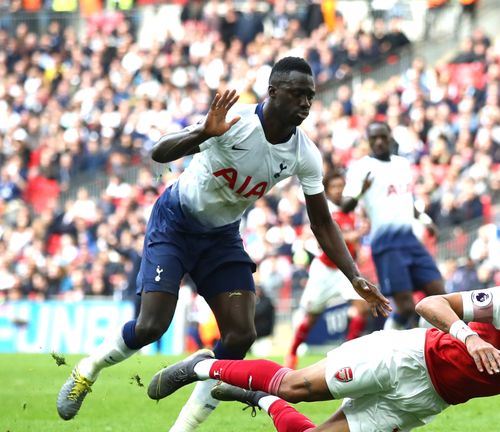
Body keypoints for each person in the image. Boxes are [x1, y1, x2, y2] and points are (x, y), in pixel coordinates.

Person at [56, 57, 390, 431]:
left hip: (222, 237)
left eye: (310, 96)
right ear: (273, 92)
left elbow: (321, 220)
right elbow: (159, 152)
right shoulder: (235, 121)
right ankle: (88, 370)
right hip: (176, 223)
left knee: (240, 335)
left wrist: (354, 275)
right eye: (298, 94)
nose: (306, 104)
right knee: (151, 326)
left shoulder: (305, 153)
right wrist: (202, 134)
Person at [147, 259, 500, 432]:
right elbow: (433, 303)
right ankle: (206, 367)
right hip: (407, 355)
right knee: (299, 385)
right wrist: (467, 337)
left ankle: (252, 396)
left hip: (423, 401)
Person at [341, 121, 445, 330]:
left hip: (411, 241)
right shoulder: (361, 168)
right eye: (374, 139)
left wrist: (425, 220)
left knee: (440, 295)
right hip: (387, 245)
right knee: (405, 307)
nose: (379, 142)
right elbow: (345, 205)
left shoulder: (402, 164)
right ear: (369, 141)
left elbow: (408, 198)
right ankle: (388, 345)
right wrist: (362, 190)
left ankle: (430, 345)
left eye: (383, 137)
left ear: (390, 138)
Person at [285, 170, 369, 369]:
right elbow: (333, 240)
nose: (338, 190)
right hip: (324, 269)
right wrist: (356, 235)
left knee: (362, 308)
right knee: (313, 315)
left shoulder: (349, 212)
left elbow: (351, 239)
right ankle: (293, 350)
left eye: (341, 186)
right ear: (327, 190)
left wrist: (358, 248)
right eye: (334, 187)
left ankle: (346, 353)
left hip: (344, 271)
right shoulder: (325, 210)